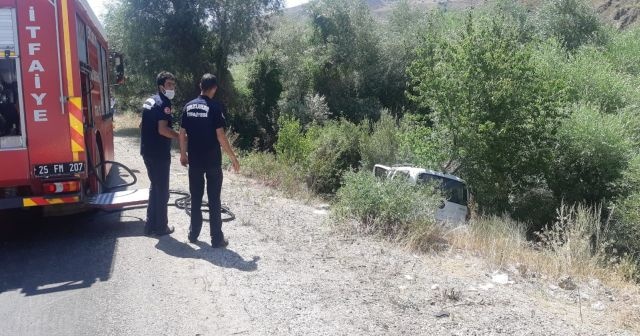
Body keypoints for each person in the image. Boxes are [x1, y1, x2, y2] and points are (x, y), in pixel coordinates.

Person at [179, 73, 240, 248]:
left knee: (196, 197)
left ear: (200, 85)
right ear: (214, 88)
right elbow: (220, 136)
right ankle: (216, 239)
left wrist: (183, 154)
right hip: (212, 160)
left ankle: (193, 234)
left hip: (195, 160)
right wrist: (233, 158)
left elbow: (182, 133)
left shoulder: (188, 106)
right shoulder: (214, 107)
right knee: (214, 199)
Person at [140, 71, 179, 236]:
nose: (172, 88)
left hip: (147, 151)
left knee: (154, 187)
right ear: (161, 86)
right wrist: (180, 137)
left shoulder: (150, 100)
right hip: (159, 154)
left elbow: (141, 125)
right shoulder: (164, 103)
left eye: (173, 85)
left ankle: (150, 225)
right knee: (162, 190)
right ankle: (161, 227)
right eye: (169, 85)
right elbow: (163, 130)